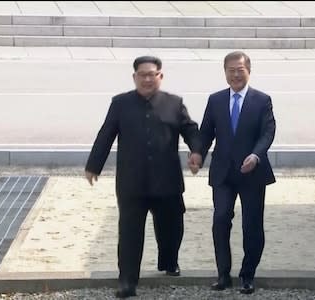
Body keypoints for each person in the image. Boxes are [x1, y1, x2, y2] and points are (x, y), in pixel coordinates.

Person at [85, 56, 202, 298]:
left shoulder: (174, 103)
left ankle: (169, 261)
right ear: (134, 77)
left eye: (152, 74)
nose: (147, 79)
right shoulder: (120, 103)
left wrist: (197, 151)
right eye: (142, 75)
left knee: (171, 226)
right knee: (129, 232)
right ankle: (127, 281)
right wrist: (94, 165)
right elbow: (106, 134)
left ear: (160, 76)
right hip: (132, 181)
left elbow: (190, 129)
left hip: (167, 179)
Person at [199, 51, 276, 294]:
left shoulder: (261, 100)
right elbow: (205, 133)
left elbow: (268, 132)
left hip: (252, 172)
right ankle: (223, 274)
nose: (235, 74)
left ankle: (247, 275)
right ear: (225, 73)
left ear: (248, 71)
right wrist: (196, 153)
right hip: (223, 172)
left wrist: (255, 155)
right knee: (220, 218)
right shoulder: (215, 100)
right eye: (231, 70)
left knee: (252, 225)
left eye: (240, 70)